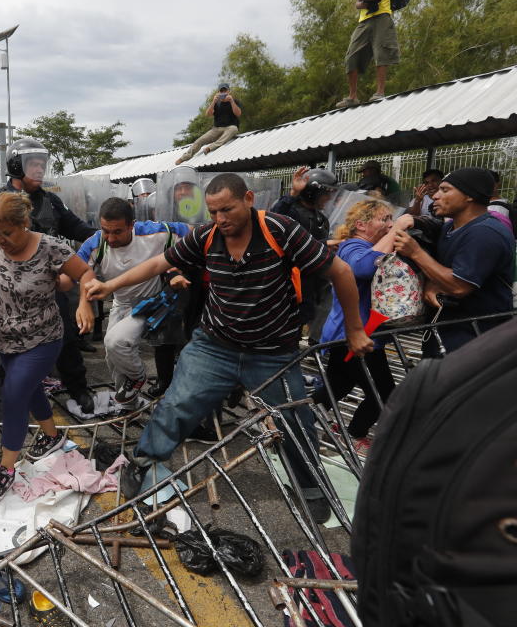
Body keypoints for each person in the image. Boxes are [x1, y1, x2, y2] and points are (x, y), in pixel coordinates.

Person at [87, 173, 374, 523]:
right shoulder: (208, 236)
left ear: (248, 199)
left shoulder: (280, 230)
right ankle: (143, 463)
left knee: (295, 420)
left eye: (227, 209)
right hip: (215, 346)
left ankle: (310, 486)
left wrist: (355, 329)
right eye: (213, 211)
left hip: (273, 352)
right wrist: (111, 284)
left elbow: (341, 272)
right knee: (177, 404)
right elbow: (159, 263)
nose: (221, 219)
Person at [0, 192, 94, 500]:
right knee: (28, 390)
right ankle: (52, 435)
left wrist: (84, 304)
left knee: (14, 394)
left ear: (25, 223)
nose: (0, 239)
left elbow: (85, 274)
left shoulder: (50, 246)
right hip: (2, 336)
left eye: (7, 232)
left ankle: (6, 467)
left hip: (42, 338)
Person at [0, 138, 98, 414]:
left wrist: (108, 235)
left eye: (43, 164)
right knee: (10, 348)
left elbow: (79, 229)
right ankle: (17, 390)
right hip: (9, 294)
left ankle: (77, 387)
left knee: (65, 337)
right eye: (34, 164)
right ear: (17, 166)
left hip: (48, 287)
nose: (40, 169)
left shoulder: (51, 201)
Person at [313, 199, 412, 456]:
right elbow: (364, 267)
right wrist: (397, 229)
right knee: (384, 395)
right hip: (352, 337)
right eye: (384, 219)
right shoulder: (352, 247)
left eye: (392, 219)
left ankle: (290, 416)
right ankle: (355, 434)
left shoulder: (370, 246)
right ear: (361, 225)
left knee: (337, 388)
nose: (390, 224)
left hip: (357, 335)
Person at [76, 198, 190, 411]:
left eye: (117, 232)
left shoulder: (156, 232)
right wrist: (82, 302)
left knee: (115, 341)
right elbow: (78, 269)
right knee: (113, 357)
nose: (110, 238)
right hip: (121, 301)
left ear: (132, 225)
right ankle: (129, 406)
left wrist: (178, 269)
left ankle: (138, 377)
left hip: (152, 303)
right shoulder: (96, 243)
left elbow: (191, 231)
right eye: (105, 230)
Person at [394, 167, 515, 356]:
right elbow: (443, 263)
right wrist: (433, 283)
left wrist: (415, 252)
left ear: (469, 195)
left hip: (475, 340)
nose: (435, 196)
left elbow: (459, 286)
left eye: (445, 190)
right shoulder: (450, 226)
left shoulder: (486, 233)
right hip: (445, 333)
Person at [273, 167, 337, 341]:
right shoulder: (291, 211)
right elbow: (274, 221)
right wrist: (293, 193)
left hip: (313, 282)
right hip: (291, 284)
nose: (328, 198)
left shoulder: (321, 219)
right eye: (326, 193)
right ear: (313, 191)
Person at [335, 0, 407, 108]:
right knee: (351, 56)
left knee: (381, 52)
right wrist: (364, 3)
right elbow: (357, 3)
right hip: (364, 21)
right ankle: (352, 97)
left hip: (382, 17)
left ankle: (380, 92)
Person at [175, 84, 243, 164]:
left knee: (234, 129)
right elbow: (208, 114)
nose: (223, 93)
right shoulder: (216, 103)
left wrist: (231, 101)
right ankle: (184, 157)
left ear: (229, 91)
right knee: (200, 140)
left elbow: (238, 114)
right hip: (216, 128)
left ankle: (210, 148)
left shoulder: (234, 101)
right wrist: (213, 101)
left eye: (225, 91)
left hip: (230, 127)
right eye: (221, 91)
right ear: (218, 92)